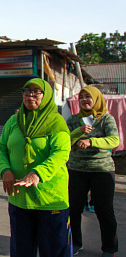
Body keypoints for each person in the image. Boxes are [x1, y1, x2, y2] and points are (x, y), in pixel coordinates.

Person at [0, 78, 72, 257]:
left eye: (36, 91)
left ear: (46, 96)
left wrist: (37, 173)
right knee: (21, 250)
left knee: (53, 251)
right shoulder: (14, 121)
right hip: (19, 199)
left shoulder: (56, 122)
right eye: (27, 90)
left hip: (49, 199)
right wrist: (5, 171)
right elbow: (1, 148)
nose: (30, 94)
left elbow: (60, 153)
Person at [66, 86, 119, 256]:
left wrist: (91, 142)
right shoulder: (74, 120)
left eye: (88, 97)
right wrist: (78, 132)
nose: (84, 100)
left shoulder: (105, 119)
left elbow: (114, 140)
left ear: (96, 99)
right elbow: (64, 141)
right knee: (73, 209)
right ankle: (75, 243)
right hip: (76, 170)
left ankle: (109, 248)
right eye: (81, 97)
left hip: (101, 171)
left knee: (104, 210)